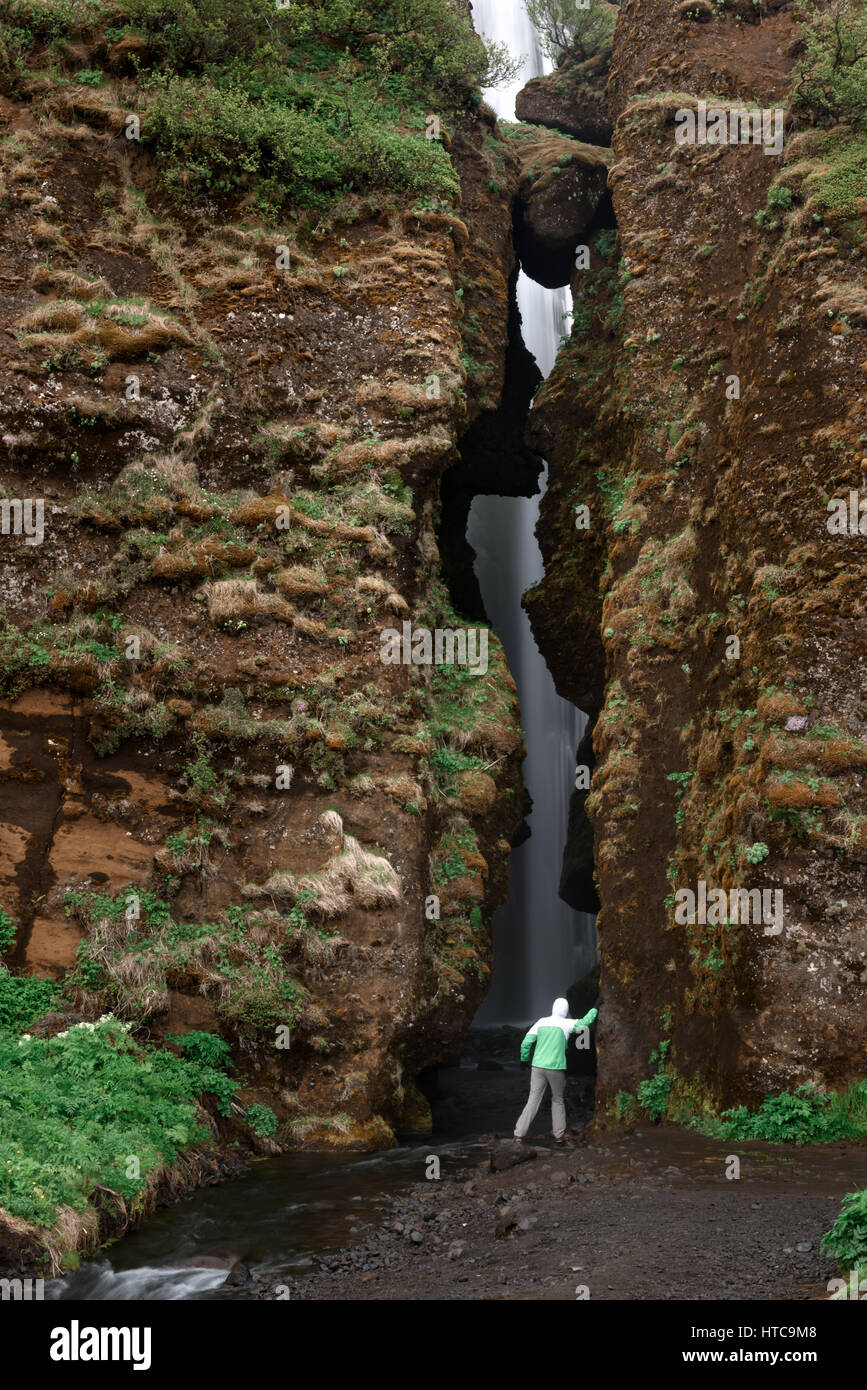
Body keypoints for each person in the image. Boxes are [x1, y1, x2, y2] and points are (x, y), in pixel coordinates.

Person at [514, 997, 598, 1145]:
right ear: (565, 1011)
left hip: (537, 1067)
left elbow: (526, 1041)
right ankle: (559, 1136)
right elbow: (585, 1023)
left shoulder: (541, 1022)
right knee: (557, 1100)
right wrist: (595, 1007)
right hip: (556, 1068)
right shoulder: (566, 1023)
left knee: (533, 1100)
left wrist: (523, 1059)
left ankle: (518, 1134)